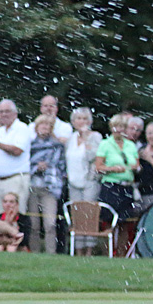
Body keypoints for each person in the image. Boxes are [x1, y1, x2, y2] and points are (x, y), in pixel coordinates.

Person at [95, 113, 139, 255]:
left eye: (121, 127)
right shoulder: (105, 144)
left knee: (125, 222)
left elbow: (136, 164)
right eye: (116, 126)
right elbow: (98, 167)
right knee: (109, 221)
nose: (118, 129)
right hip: (111, 186)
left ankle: (122, 254)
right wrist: (113, 169)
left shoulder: (130, 145)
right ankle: (108, 253)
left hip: (126, 186)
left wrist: (133, 167)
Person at [65, 107, 102, 255]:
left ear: (90, 121)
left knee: (89, 215)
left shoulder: (95, 136)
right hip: (73, 181)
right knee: (77, 215)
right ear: (73, 122)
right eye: (78, 118)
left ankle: (89, 250)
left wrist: (86, 140)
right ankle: (78, 250)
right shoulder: (70, 138)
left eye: (85, 119)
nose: (81, 122)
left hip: (89, 181)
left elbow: (94, 157)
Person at [28, 113, 66, 253]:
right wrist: (35, 168)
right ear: (37, 127)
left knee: (50, 224)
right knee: (33, 224)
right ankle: (35, 253)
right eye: (41, 124)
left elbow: (62, 167)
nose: (44, 127)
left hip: (50, 188)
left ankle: (51, 253)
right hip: (32, 187)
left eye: (47, 125)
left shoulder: (57, 146)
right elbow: (24, 164)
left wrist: (49, 168)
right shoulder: (30, 145)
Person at [0, 99, 31, 211]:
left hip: (15, 179)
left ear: (15, 113)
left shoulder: (22, 128)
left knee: (15, 217)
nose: (4, 114)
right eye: (1, 111)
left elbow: (17, 151)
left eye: (7, 111)